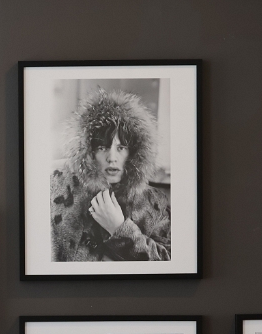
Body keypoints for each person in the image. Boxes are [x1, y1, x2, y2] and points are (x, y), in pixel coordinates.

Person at [49, 90, 171, 262]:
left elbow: (168, 262)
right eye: (102, 147)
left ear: (134, 153)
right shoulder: (56, 186)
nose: (112, 158)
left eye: (121, 148)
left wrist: (119, 228)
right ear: (89, 152)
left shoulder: (155, 203)